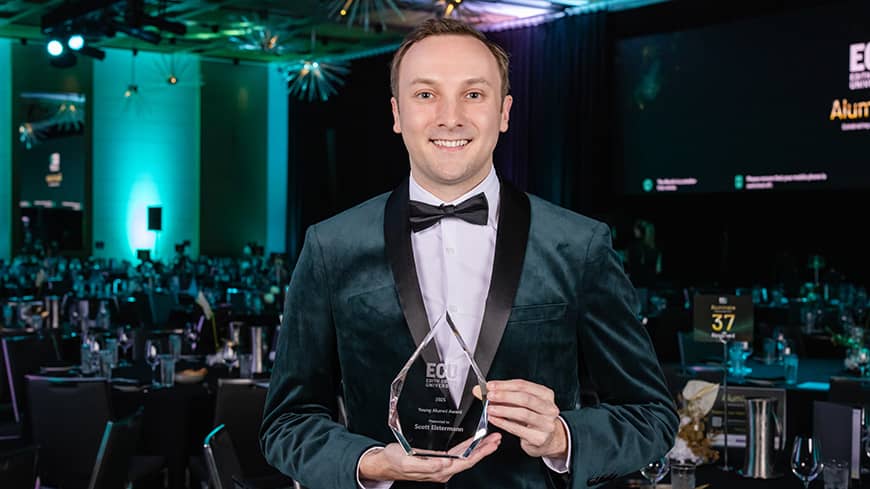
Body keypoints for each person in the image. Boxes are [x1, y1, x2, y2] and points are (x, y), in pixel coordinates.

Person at [261, 19, 677, 489]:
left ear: (504, 112)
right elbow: (286, 424)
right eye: (426, 95)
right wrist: (371, 462)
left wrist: (563, 436)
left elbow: (652, 417)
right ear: (397, 114)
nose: (450, 116)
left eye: (474, 95)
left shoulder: (579, 244)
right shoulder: (330, 246)